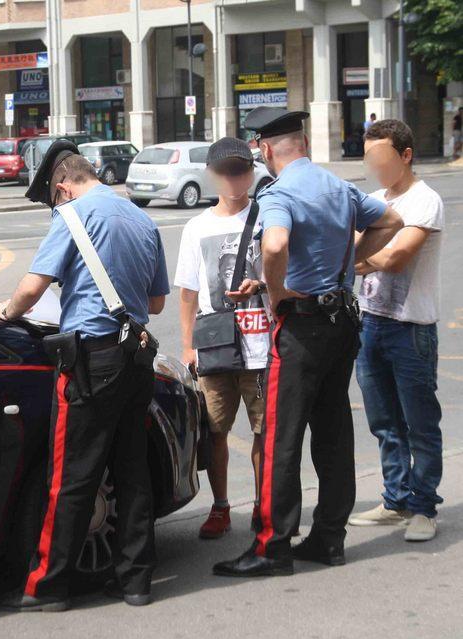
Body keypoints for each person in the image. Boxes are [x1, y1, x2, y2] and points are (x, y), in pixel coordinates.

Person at [213, 107, 403, 578]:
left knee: (281, 437)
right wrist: (346, 268)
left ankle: (271, 547)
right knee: (334, 430)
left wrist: (275, 292)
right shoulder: (337, 186)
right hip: (341, 323)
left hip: (301, 328)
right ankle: (329, 539)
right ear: (304, 145)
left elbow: (275, 246)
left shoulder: (281, 193)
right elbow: (391, 220)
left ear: (264, 149)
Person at [0, 139, 170, 611]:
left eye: (52, 199)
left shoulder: (71, 216)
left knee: (71, 475)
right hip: (137, 358)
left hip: (92, 362)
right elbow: (155, 304)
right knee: (132, 473)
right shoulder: (140, 217)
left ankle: (48, 586)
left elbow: (32, 289)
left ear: (63, 188)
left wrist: (4, 312)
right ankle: (135, 581)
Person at [348, 119, 444, 541]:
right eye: (370, 158)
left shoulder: (426, 201)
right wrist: (365, 256)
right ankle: (395, 499)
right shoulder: (372, 200)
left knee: (420, 423)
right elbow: (348, 248)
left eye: (382, 157)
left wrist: (363, 259)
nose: (376, 166)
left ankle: (424, 507)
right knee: (384, 421)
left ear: (405, 155)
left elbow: (398, 257)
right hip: (369, 323)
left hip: (411, 328)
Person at [175, 137, 268, 539]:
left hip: (263, 345)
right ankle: (221, 506)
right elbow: (187, 294)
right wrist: (187, 347)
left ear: (251, 171)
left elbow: (284, 276)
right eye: (225, 172)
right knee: (215, 432)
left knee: (265, 430)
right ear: (212, 175)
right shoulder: (197, 227)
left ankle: (265, 506)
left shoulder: (268, 216)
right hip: (215, 347)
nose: (233, 179)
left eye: (240, 170)